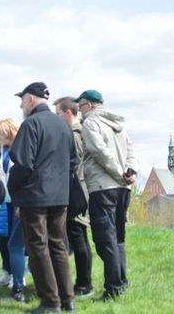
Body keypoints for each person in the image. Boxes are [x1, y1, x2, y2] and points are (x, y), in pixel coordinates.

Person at [8, 82, 76, 314]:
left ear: (31, 99)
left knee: (38, 247)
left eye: (22, 100)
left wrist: (13, 188)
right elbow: (73, 162)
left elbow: (22, 163)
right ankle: (68, 300)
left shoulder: (31, 123)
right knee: (58, 246)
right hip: (60, 196)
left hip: (35, 196)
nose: (21, 105)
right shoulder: (63, 125)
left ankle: (50, 302)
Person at [74, 89, 138, 300]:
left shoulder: (90, 123)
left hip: (103, 187)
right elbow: (131, 152)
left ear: (90, 105)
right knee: (118, 238)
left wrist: (119, 173)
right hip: (124, 189)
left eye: (81, 106)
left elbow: (99, 152)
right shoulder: (118, 125)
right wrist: (130, 172)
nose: (79, 110)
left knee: (104, 239)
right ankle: (121, 283)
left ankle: (113, 287)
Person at [53, 97, 93, 298]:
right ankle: (83, 282)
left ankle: (84, 284)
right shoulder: (79, 131)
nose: (56, 118)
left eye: (58, 113)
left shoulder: (75, 134)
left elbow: (74, 164)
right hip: (78, 189)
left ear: (68, 113)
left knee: (78, 236)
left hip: (75, 191)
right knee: (78, 236)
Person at [0, 118, 27, 302]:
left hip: (17, 201)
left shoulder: (19, 148)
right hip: (5, 201)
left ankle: (19, 279)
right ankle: (9, 272)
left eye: (0, 133)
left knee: (16, 243)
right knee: (4, 238)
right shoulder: (4, 150)